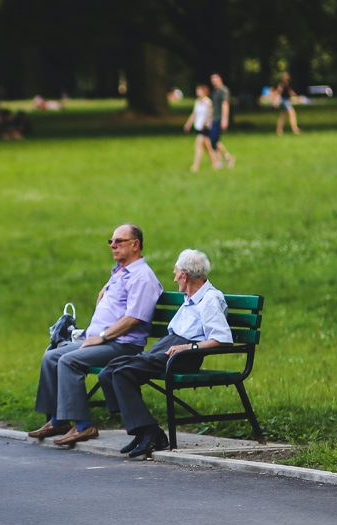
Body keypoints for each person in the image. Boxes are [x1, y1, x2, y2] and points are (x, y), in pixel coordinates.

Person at [29, 224, 163, 446]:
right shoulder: (120, 272)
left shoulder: (142, 277)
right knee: (51, 356)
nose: (113, 245)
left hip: (122, 344)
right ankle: (59, 419)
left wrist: (102, 337)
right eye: (111, 241)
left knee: (69, 361)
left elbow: (134, 318)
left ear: (135, 244)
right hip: (102, 340)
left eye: (119, 241)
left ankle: (84, 426)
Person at [98, 249, 232, 459]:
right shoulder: (191, 297)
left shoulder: (210, 299)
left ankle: (150, 432)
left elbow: (222, 338)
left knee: (123, 373)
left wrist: (189, 347)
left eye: (176, 273)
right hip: (169, 347)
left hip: (184, 356)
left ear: (184, 276)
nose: (174, 278)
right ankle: (143, 430)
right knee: (109, 371)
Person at [183, 84, 219, 171]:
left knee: (198, 146)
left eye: (199, 90)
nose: (197, 92)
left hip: (204, 127)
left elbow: (209, 114)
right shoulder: (197, 101)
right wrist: (188, 123)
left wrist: (205, 123)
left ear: (204, 91)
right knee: (208, 147)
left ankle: (195, 166)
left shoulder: (208, 102)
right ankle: (216, 163)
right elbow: (194, 114)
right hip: (198, 126)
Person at [209, 73, 235, 168]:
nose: (213, 81)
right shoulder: (215, 91)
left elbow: (225, 105)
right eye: (212, 80)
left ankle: (228, 158)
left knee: (213, 140)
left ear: (220, 79)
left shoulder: (224, 90)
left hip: (219, 118)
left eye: (215, 79)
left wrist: (225, 119)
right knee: (215, 141)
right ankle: (220, 161)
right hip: (214, 118)